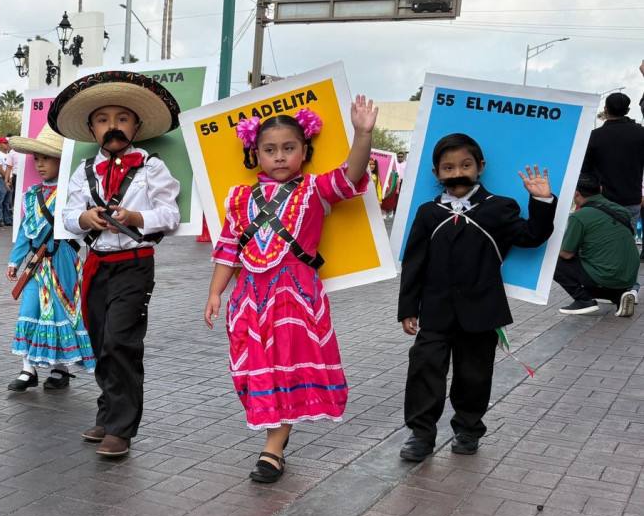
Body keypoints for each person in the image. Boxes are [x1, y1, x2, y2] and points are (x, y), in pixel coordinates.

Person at [205, 100, 378, 482]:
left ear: (304, 151)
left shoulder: (315, 189)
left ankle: (273, 448)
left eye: (289, 148)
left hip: (294, 294)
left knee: (283, 368)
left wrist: (363, 133)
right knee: (253, 370)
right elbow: (229, 248)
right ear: (256, 154)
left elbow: (351, 174)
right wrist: (216, 292)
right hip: (249, 296)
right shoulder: (238, 197)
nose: (280, 156)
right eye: (270, 149)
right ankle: (274, 438)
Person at [398, 133, 556, 461]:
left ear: (480, 167)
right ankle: (421, 434)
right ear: (436, 172)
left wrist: (542, 202)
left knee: (474, 374)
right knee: (424, 369)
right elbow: (414, 261)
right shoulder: (428, 212)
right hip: (436, 310)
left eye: (466, 164)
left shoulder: (500, 207)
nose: (458, 172)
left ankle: (469, 429)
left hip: (483, 310)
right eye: (448, 166)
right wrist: (408, 307)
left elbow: (532, 236)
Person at [53, 70, 182, 457]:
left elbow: (169, 215)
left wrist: (136, 218)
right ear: (92, 129)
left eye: (122, 119)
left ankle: (121, 429)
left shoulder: (152, 167)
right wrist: (85, 219)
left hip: (135, 263)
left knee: (121, 342)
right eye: (104, 120)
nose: (114, 127)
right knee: (99, 341)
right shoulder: (83, 171)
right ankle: (108, 413)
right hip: (96, 264)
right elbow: (68, 216)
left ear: (137, 125)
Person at [6, 125, 96, 391]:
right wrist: (15, 260)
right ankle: (27, 369)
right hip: (35, 263)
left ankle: (60, 369)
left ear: (62, 160)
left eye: (47, 158)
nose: (41, 164)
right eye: (37, 159)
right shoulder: (30, 196)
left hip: (63, 258)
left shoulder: (73, 195)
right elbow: (25, 231)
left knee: (61, 310)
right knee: (29, 309)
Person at [554, 172, 639, 316]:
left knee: (553, 261)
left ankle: (583, 300)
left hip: (605, 274)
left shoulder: (580, 216)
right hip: (629, 276)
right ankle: (619, 297)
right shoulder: (621, 210)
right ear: (600, 189)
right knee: (600, 265)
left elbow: (566, 254)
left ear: (575, 193)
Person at [581, 93, 644, 231]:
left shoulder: (594, 136)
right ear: (627, 110)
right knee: (625, 241)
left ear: (605, 109)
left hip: (601, 201)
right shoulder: (641, 133)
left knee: (599, 243)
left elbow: (584, 170)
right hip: (632, 199)